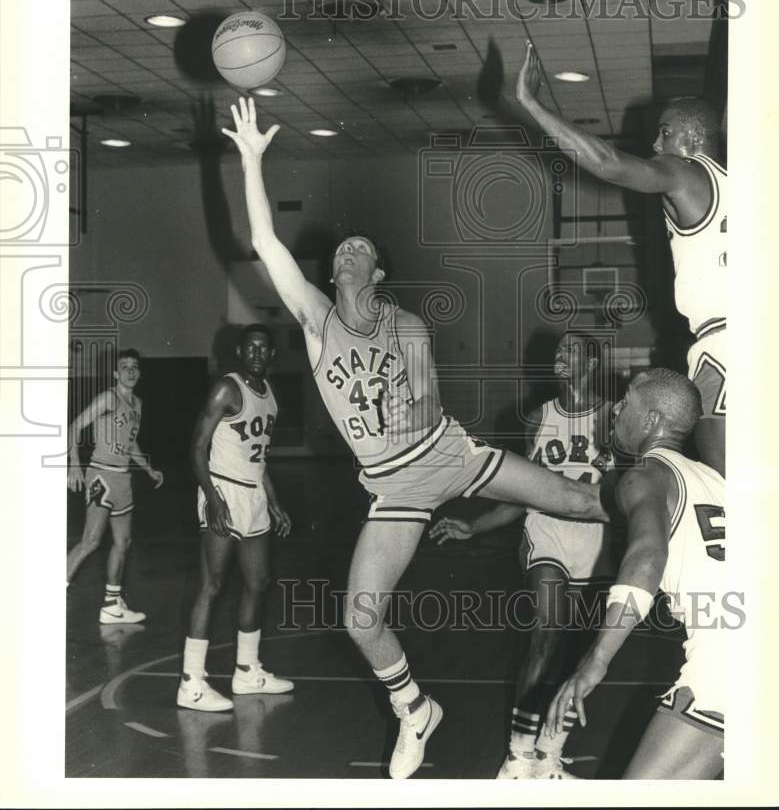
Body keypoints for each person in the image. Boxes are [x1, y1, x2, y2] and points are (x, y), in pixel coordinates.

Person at [221, 96, 612, 779]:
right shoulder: (316, 320)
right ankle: (414, 710)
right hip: (394, 486)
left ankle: (676, 534)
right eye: (341, 248)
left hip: (447, 455)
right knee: (358, 619)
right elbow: (265, 245)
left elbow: (425, 406)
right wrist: (252, 161)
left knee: (581, 503)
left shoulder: (404, 325)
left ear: (374, 277)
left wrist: (389, 438)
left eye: (360, 250)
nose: (346, 250)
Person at [515, 42, 726, 477]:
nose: (655, 141)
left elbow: (609, 163)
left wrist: (530, 103)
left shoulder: (687, 172)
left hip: (725, 344)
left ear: (693, 138)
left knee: (728, 490)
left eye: (664, 132)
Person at [430, 332, 615, 779]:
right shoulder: (537, 419)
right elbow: (523, 493)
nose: (558, 356)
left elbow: (630, 494)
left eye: (570, 350)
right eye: (557, 350)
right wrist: (473, 525)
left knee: (577, 654)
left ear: (592, 363)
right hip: (546, 533)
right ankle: (516, 756)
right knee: (546, 635)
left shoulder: (613, 418)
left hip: (598, 541)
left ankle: (549, 754)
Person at [544, 367, 726, 779]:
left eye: (625, 401)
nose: (615, 410)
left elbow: (646, 556)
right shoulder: (715, 481)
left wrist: (598, 658)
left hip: (728, 658)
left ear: (651, 420)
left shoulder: (645, 475)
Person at [177, 324, 294, 713]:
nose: (258, 354)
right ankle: (191, 683)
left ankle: (247, 671)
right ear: (241, 353)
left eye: (265, 348)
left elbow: (260, 460)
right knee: (212, 585)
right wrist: (212, 498)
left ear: (272, 355)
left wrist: (274, 502)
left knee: (259, 581)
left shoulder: (271, 396)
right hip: (223, 489)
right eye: (251, 348)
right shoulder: (227, 389)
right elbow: (196, 449)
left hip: (255, 493)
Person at [67, 348, 164, 624]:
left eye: (135, 367)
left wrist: (147, 468)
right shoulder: (108, 398)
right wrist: (74, 464)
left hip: (123, 479)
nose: (131, 371)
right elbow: (75, 426)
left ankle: (112, 605)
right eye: (125, 367)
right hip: (102, 476)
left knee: (123, 542)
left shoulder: (138, 404)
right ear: (115, 373)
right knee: (91, 541)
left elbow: (130, 442)